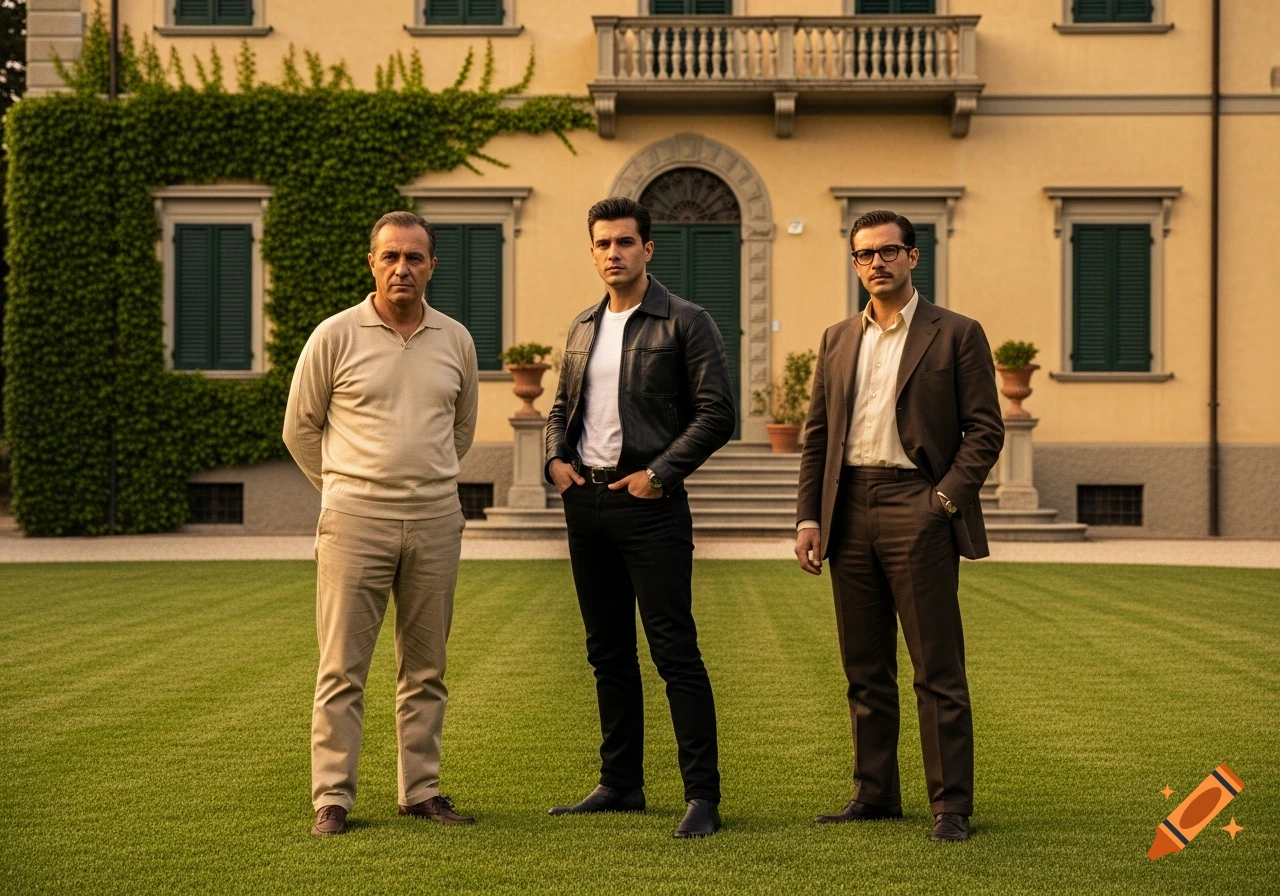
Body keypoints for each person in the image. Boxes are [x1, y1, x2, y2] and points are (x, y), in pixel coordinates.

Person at [794, 209, 1004, 842]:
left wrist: (941, 501)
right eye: (864, 255)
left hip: (919, 503)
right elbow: (817, 437)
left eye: (888, 251)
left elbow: (985, 430)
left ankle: (950, 807)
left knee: (936, 666)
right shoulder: (836, 338)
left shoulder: (957, 334)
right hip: (848, 508)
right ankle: (876, 793)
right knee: (864, 665)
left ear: (914, 257)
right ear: (855, 264)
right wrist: (810, 516)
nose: (876, 263)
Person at [544, 197, 736, 839]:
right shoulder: (581, 327)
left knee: (674, 649)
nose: (613, 253)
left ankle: (701, 796)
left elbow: (716, 413)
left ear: (648, 249)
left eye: (625, 242)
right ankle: (621, 783)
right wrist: (555, 462)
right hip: (586, 504)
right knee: (607, 653)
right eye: (602, 243)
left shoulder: (687, 321)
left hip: (650, 506)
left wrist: (659, 475)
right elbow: (559, 407)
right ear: (592, 250)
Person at [283, 211, 480, 836]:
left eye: (415, 257)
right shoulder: (335, 337)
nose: (403, 268)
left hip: (435, 519)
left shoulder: (457, 341)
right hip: (355, 521)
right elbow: (299, 429)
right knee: (342, 667)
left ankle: (420, 791)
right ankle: (332, 799)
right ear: (372, 262)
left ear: (431, 266)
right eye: (391, 256)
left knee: (426, 667)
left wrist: (422, 479)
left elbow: (462, 430)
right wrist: (345, 488)